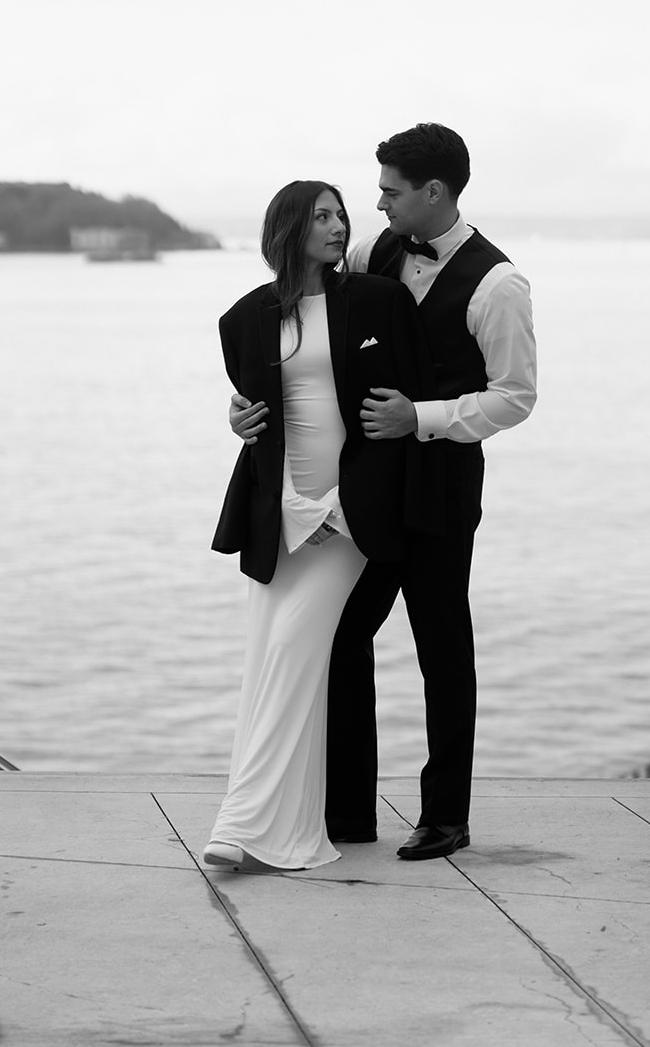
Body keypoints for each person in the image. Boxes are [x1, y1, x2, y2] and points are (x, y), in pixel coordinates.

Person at [232, 124, 536, 862]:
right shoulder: (376, 253)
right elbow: (304, 332)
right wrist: (246, 406)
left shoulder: (499, 285)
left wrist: (419, 417)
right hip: (367, 491)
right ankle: (346, 811)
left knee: (441, 646)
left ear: (433, 192)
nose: (376, 205)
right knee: (340, 638)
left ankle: (445, 815)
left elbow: (515, 397)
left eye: (390, 192)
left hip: (438, 489)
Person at [204, 179, 438, 872]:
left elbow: (406, 401)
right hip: (277, 515)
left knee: (292, 655)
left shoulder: (376, 302)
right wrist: (236, 418)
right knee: (267, 661)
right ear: (288, 229)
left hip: (347, 520)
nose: (339, 226)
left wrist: (355, 501)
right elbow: (258, 414)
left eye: (341, 214)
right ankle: (283, 823)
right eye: (322, 216)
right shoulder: (241, 319)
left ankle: (241, 823)